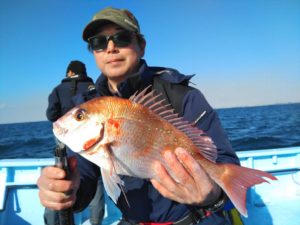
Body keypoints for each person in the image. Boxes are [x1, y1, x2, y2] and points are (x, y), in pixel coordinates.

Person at [38, 7, 241, 225]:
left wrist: (213, 195)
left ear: (141, 45)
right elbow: (85, 178)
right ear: (93, 52)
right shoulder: (90, 106)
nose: (111, 47)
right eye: (99, 42)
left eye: (121, 37)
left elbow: (225, 163)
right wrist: (68, 190)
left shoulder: (183, 96)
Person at [44, 60, 105, 225]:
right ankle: (96, 221)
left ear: (70, 72)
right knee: (97, 179)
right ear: (84, 72)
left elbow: (51, 114)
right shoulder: (94, 87)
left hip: (65, 141)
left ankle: (53, 220)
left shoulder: (58, 89)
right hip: (94, 139)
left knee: (61, 179)